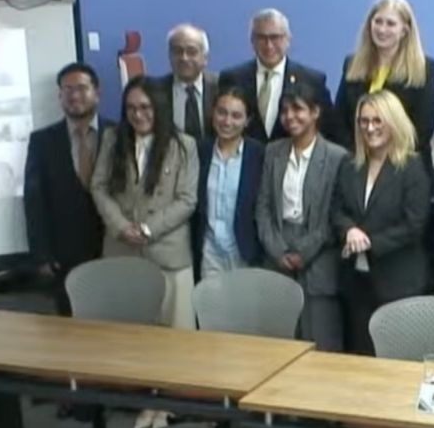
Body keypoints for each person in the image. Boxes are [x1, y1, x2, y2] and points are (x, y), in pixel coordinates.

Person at [89, 75, 198, 332]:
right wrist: (121, 227)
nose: (138, 115)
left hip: (169, 256)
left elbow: (187, 199)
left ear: (159, 107)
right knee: (126, 337)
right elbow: (99, 187)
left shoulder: (184, 145)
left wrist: (147, 229)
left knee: (176, 340)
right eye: (131, 108)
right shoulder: (112, 138)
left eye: (145, 107)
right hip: (122, 251)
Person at [331, 90, 432, 355]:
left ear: (393, 121)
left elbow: (415, 224)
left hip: (398, 283)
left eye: (377, 120)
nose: (370, 128)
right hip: (357, 283)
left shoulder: (411, 167)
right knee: (360, 357)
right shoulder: (350, 164)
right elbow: (337, 209)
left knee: (396, 361)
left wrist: (369, 243)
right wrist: (349, 230)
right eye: (364, 121)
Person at [258, 81, 350, 352]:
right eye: (284, 110)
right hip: (277, 256)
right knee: (278, 347)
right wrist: (278, 251)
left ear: (315, 112)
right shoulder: (273, 152)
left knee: (321, 348)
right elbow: (262, 207)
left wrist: (303, 252)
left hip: (319, 260)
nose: (290, 117)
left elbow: (335, 216)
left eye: (298, 109)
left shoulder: (337, 157)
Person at [24, 62, 109, 316]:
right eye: (67, 90)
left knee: (118, 325)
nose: (74, 96)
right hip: (65, 258)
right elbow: (34, 202)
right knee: (70, 329)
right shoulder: (42, 141)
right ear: (60, 95)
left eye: (81, 88)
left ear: (97, 92)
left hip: (114, 249)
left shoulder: (119, 133)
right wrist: (42, 256)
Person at [336, 0, 434, 180]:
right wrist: (361, 158)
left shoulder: (424, 69)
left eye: (390, 24)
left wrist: (383, 161)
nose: (382, 29)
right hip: (357, 167)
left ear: (405, 30)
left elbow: (422, 131)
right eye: (378, 22)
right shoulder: (352, 65)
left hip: (404, 172)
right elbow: (340, 121)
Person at [217, 8, 334, 144]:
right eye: (261, 38)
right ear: (252, 41)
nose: (269, 45)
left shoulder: (312, 80)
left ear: (288, 39)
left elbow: (328, 129)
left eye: (275, 37)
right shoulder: (232, 78)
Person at [191, 85, 263, 279]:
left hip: (245, 253)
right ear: (212, 113)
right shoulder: (200, 151)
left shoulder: (259, 155)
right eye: (221, 112)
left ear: (247, 120)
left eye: (236, 116)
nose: (227, 121)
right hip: (209, 253)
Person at [159, 23, 218, 141]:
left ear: (205, 58)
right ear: (169, 55)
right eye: (177, 51)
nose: (184, 58)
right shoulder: (156, 91)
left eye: (191, 51)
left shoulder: (221, 86)